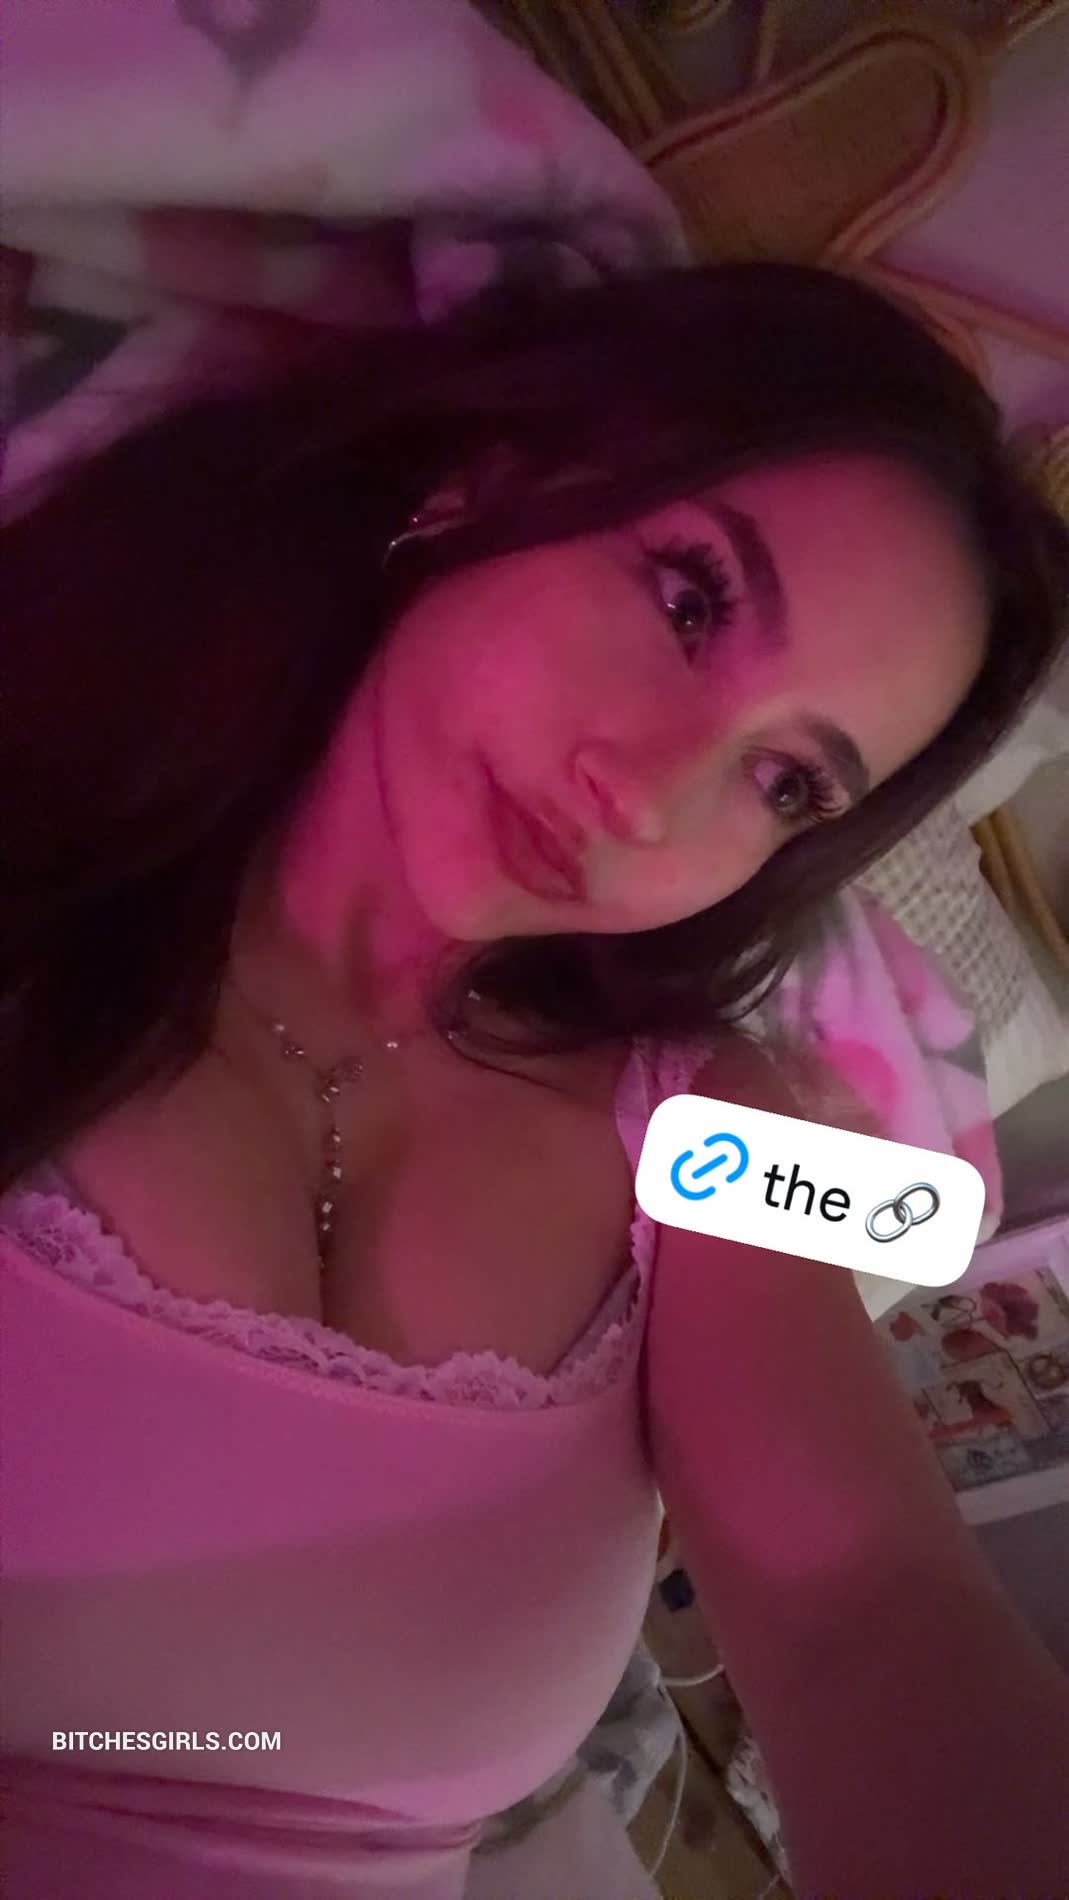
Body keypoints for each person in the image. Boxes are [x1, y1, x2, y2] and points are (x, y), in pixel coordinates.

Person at [1, 260, 1067, 1897]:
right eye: (690, 602)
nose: (647, 796)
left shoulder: (704, 1124)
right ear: (489, 477)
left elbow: (864, 1601)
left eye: (785, 779)